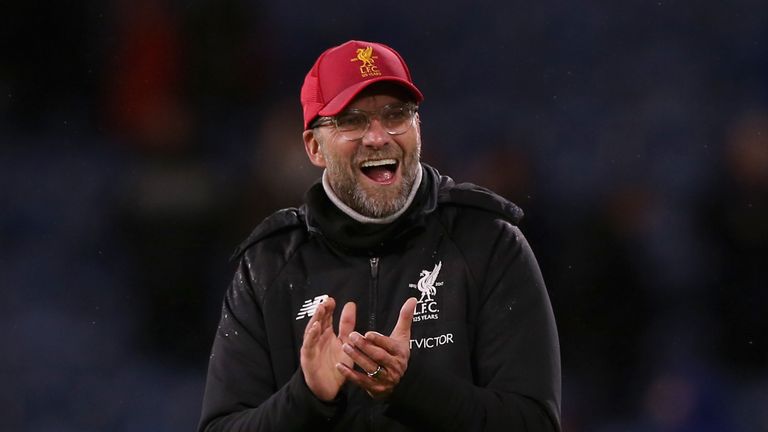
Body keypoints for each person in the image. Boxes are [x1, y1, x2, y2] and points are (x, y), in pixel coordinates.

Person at [197, 40, 561, 431]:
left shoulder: (488, 243)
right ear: (313, 147)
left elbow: (534, 423)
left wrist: (409, 387)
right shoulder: (267, 266)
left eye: (396, 115)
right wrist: (306, 397)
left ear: (417, 127)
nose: (378, 137)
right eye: (351, 121)